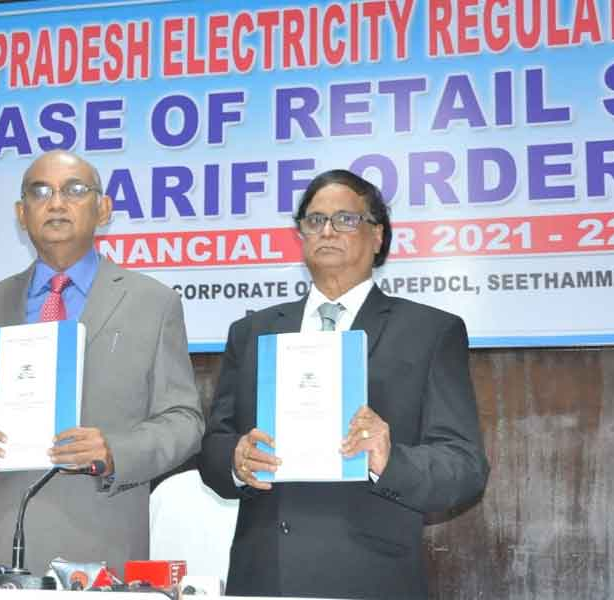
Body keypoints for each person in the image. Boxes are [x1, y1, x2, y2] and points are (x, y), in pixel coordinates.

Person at [198, 169, 489, 599]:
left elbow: (463, 468)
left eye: (345, 219)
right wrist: (236, 460)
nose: (327, 231)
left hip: (369, 572)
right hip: (264, 570)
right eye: (314, 221)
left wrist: (390, 460)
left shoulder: (429, 331)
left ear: (378, 236)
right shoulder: (253, 331)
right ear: (300, 236)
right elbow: (214, 445)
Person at [0, 150, 204, 578]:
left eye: (75, 190)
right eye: (40, 191)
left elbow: (185, 420)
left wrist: (115, 451)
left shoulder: (152, 302)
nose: (56, 202)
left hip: (99, 542)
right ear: (21, 214)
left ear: (103, 209)